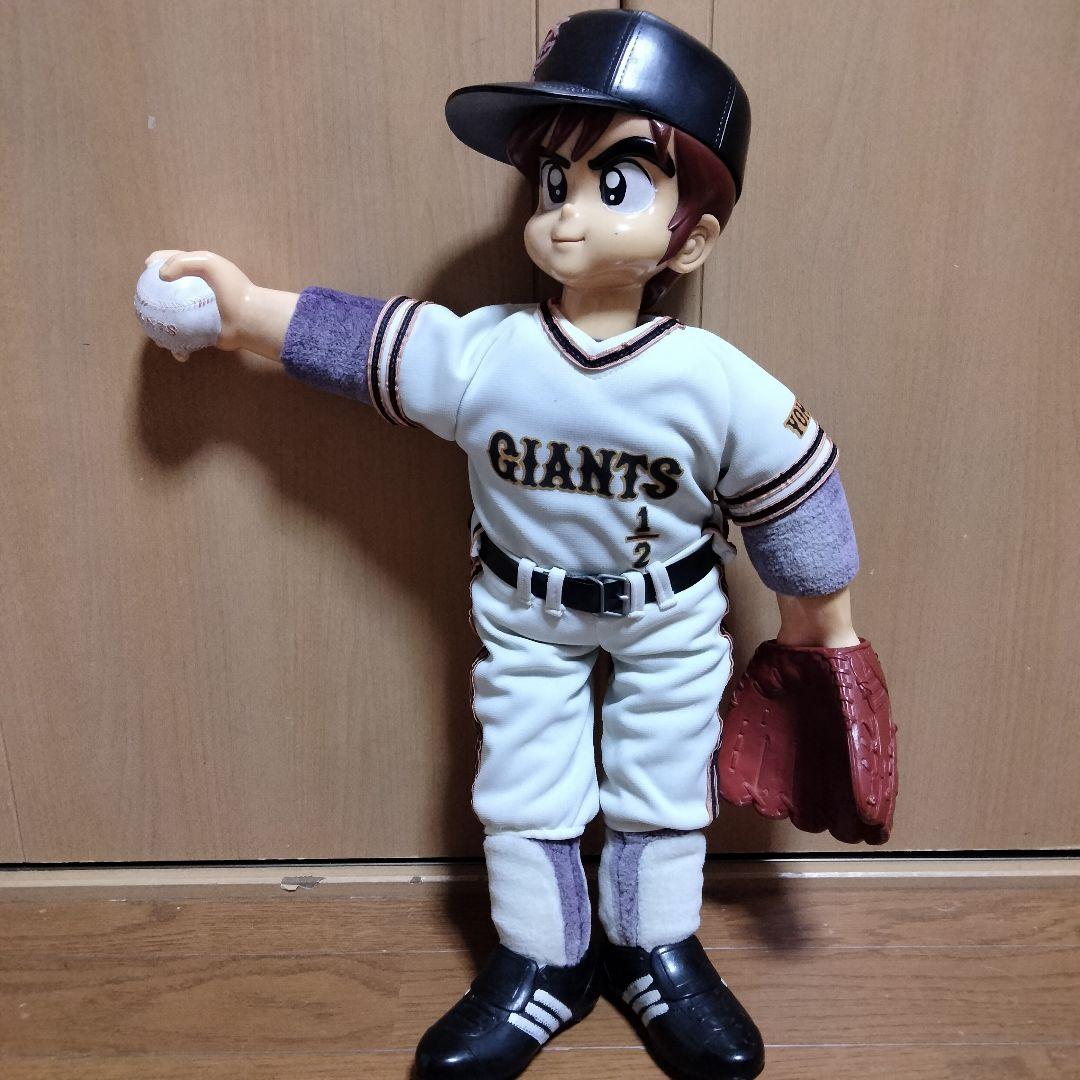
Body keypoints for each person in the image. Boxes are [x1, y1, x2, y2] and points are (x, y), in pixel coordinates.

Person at [140, 11, 895, 1079]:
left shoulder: (713, 380)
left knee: (663, 785)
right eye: (553, 182)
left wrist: (824, 631)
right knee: (525, 783)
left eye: (614, 184)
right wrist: (244, 309)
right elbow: (367, 344)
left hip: (671, 616)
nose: (567, 214)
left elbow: (796, 496)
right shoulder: (487, 351)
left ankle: (653, 948)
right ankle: (547, 959)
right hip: (525, 616)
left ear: (693, 238)